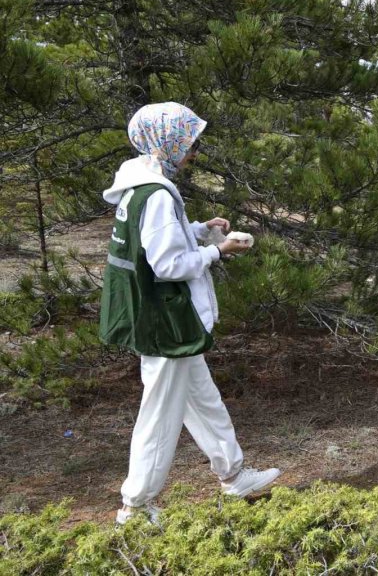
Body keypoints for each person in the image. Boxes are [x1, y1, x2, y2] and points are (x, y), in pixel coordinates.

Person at [100, 102, 281, 525]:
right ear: (167, 141)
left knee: (203, 399)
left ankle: (234, 475)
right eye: (189, 142)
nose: (195, 151)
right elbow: (167, 265)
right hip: (167, 320)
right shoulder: (159, 194)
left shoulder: (138, 186)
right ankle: (136, 504)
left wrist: (198, 229)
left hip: (159, 317)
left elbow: (154, 244)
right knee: (160, 414)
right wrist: (218, 250)